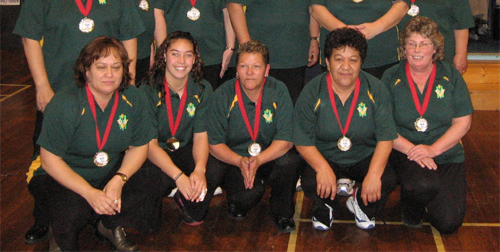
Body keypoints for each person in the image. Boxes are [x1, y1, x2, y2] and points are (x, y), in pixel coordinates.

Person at [14, 0, 144, 245]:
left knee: (109, 153)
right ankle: (44, 219)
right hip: (58, 92)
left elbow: (129, 34)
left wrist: (127, 80)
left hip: (106, 92)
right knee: (46, 160)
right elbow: (30, 38)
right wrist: (42, 85)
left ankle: (108, 218)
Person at [26, 37, 155, 251]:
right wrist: (90, 193)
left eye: (116, 67)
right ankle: (57, 229)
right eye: (101, 67)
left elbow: (139, 146)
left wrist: (118, 180)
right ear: (86, 70)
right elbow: (49, 161)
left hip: (106, 171)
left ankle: (108, 224)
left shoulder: (134, 97)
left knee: (152, 178)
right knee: (73, 211)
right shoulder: (65, 102)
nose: (110, 74)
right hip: (57, 174)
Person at [294, 28, 397, 231]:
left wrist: (374, 175)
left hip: (363, 155)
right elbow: (302, 139)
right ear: (327, 61)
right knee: (310, 180)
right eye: (339, 59)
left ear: (361, 63)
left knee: (387, 179)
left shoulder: (376, 89)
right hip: (326, 156)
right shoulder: (312, 91)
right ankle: (325, 205)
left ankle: (359, 202)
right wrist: (322, 168)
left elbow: (386, 137)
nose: (346, 67)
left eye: (353, 60)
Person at [382, 16, 473, 233]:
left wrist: (432, 149)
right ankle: (410, 209)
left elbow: (463, 122)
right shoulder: (391, 77)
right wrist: (415, 151)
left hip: (446, 153)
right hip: (405, 152)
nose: (417, 49)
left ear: (435, 48)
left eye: (424, 43)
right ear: (404, 48)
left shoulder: (451, 76)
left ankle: (430, 196)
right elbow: (383, 125)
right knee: (421, 185)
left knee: (449, 223)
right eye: (411, 43)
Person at [207, 41, 300, 233]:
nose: (249, 72)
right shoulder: (223, 94)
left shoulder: (278, 90)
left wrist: (258, 160)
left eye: (256, 66)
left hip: (268, 156)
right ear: (236, 69)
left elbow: (286, 140)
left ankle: (282, 212)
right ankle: (237, 202)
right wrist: (240, 161)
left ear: (267, 70)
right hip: (235, 159)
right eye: (243, 66)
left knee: (290, 161)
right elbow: (214, 144)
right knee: (247, 196)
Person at [141, 31, 218, 227]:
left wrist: (199, 170)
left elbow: (201, 136)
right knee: (149, 224)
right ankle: (171, 187)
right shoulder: (147, 90)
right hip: (155, 153)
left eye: (188, 54)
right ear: (164, 55)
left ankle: (182, 198)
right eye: (175, 54)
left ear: (195, 58)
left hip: (185, 149)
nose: (181, 61)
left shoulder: (202, 88)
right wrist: (178, 177)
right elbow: (148, 146)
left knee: (211, 174)